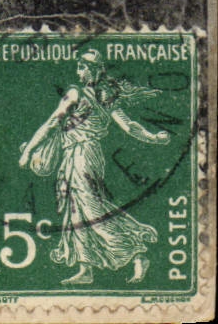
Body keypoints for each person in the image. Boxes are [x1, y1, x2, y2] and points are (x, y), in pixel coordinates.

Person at [18, 49, 172, 284]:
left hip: (83, 155)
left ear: (94, 70)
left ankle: (136, 254)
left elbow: (53, 122)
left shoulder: (78, 94)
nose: (79, 73)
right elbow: (129, 125)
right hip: (79, 155)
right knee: (76, 209)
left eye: (83, 68)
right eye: (78, 68)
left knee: (91, 210)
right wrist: (153, 138)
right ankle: (85, 268)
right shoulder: (105, 96)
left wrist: (29, 150)